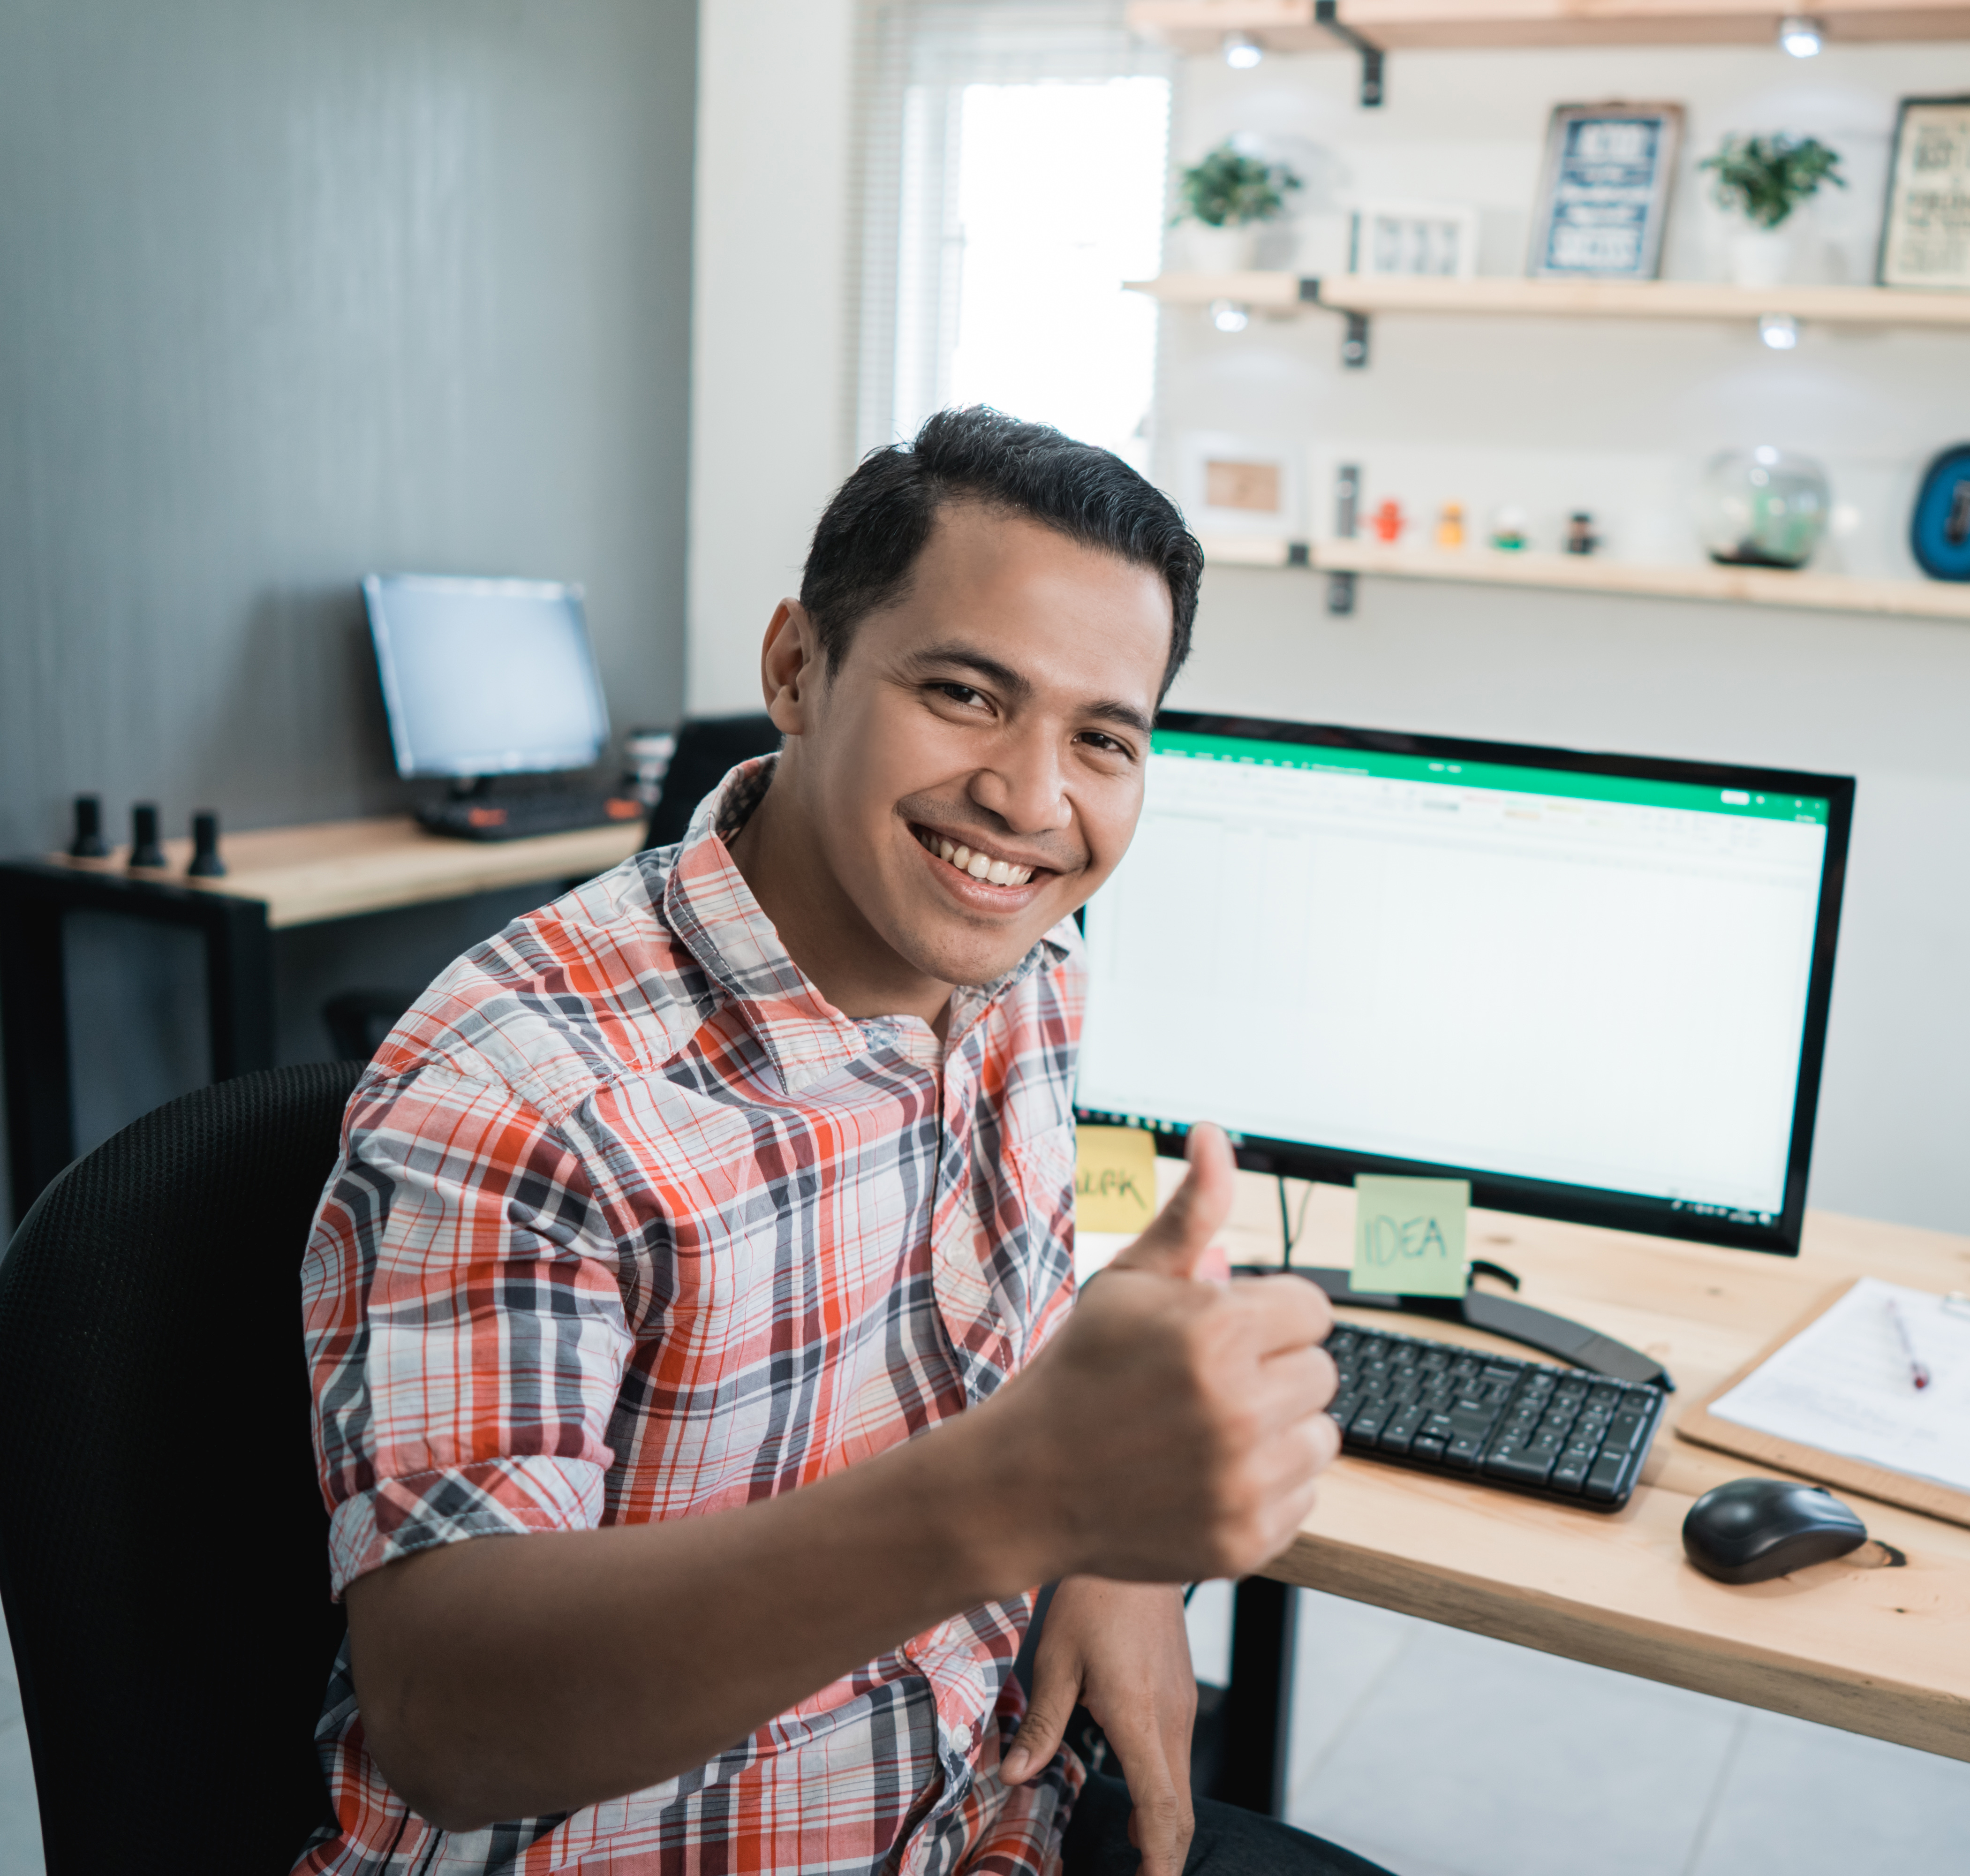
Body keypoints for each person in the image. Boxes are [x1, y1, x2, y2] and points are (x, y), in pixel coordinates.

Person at [297, 408, 1391, 1876]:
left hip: (985, 1818)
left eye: (1104, 738)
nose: (1029, 799)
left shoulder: (1022, 976)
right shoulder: (528, 1089)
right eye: (965, 693)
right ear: (797, 670)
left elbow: (994, 1332)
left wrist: (1110, 1557)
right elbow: (450, 1720)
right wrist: (1017, 1501)